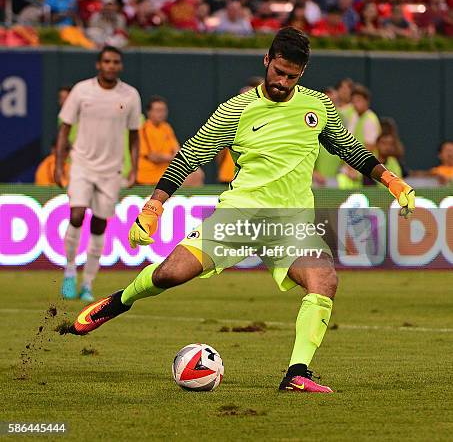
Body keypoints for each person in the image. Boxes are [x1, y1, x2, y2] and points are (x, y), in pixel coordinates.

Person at [68, 28, 416, 393]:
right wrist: (155, 205)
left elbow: (351, 151)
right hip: (240, 216)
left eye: (292, 76)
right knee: (170, 274)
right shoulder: (235, 110)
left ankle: (297, 373)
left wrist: (391, 181)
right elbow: (190, 156)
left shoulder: (317, 106)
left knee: (324, 281)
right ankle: (118, 302)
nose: (282, 82)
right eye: (278, 72)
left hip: (292, 224)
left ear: (303, 73)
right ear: (267, 60)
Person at [55, 46, 142, 302]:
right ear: (98, 64)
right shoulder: (82, 91)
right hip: (82, 163)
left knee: (99, 223)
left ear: (120, 66)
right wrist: (59, 165)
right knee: (77, 214)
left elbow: (135, 135)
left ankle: (88, 283)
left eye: (115, 62)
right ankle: (70, 270)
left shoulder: (130, 95)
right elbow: (64, 128)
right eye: (107, 61)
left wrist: (134, 167)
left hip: (111, 169)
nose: (111, 65)